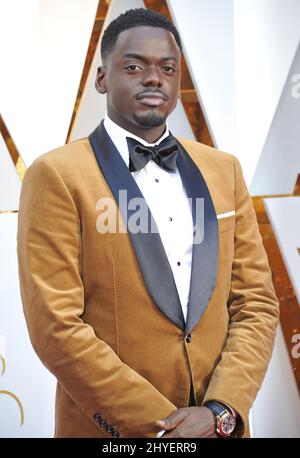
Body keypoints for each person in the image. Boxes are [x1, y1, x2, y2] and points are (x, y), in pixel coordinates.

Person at [17, 8, 279, 438]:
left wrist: (220, 411)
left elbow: (256, 303)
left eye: (167, 68)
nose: (154, 78)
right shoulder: (57, 175)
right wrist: (163, 428)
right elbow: (56, 327)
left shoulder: (224, 170)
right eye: (135, 66)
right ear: (102, 79)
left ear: (177, 81)